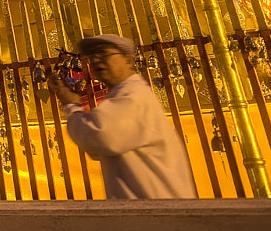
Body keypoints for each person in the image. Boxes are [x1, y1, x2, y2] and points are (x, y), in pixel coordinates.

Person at [48, 34, 196, 199]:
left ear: (128, 59)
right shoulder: (121, 96)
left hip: (157, 209)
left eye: (103, 54)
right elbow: (97, 149)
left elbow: (98, 136)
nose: (96, 61)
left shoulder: (133, 96)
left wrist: (72, 106)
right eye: (92, 56)